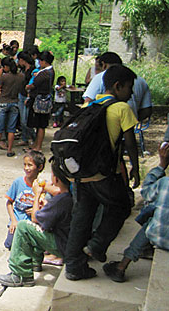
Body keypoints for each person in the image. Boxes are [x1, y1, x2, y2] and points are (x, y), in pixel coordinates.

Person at [64, 65, 140, 281]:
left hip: (82, 173)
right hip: (104, 173)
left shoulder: (92, 104)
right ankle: (97, 245)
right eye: (129, 87)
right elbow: (130, 143)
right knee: (122, 205)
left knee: (82, 217)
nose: (131, 93)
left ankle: (74, 267)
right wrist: (134, 167)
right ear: (118, 86)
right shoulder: (122, 109)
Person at [0, 162, 73, 287]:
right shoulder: (69, 197)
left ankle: (21, 274)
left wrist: (37, 195)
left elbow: (35, 218)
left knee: (24, 227)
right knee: (41, 227)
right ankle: (35, 262)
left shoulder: (61, 200)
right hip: (69, 242)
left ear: (56, 179)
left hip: (62, 245)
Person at [103, 142, 169, 283]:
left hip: (158, 235)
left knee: (153, 221)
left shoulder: (165, 183)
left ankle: (122, 266)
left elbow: (146, 192)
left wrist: (161, 165)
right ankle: (143, 251)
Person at [83, 52, 152, 121]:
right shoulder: (140, 80)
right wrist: (132, 120)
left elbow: (87, 103)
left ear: (104, 65)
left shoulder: (100, 77)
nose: (131, 93)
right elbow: (146, 110)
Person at [4, 152, 45, 248]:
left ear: (39, 167)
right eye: (25, 165)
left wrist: (37, 210)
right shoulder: (18, 182)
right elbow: (9, 203)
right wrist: (13, 221)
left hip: (32, 225)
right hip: (17, 222)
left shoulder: (42, 186)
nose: (26, 168)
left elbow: (45, 205)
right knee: (10, 245)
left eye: (30, 165)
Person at [0, 57, 25, 156]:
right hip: (14, 102)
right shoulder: (21, 76)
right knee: (11, 128)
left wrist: (0, 75)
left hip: (3, 102)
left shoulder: (5, 77)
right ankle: (10, 150)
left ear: (6, 67)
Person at [26, 51, 55, 154]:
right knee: (40, 124)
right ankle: (36, 144)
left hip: (39, 100)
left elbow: (34, 84)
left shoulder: (44, 73)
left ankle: (38, 146)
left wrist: (28, 87)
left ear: (44, 61)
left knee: (40, 125)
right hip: (45, 99)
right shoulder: (51, 72)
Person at [16, 52, 35, 148]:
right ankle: (25, 138)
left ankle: (32, 138)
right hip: (21, 94)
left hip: (27, 96)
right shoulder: (23, 70)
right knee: (22, 118)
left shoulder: (32, 70)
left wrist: (28, 96)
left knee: (25, 119)